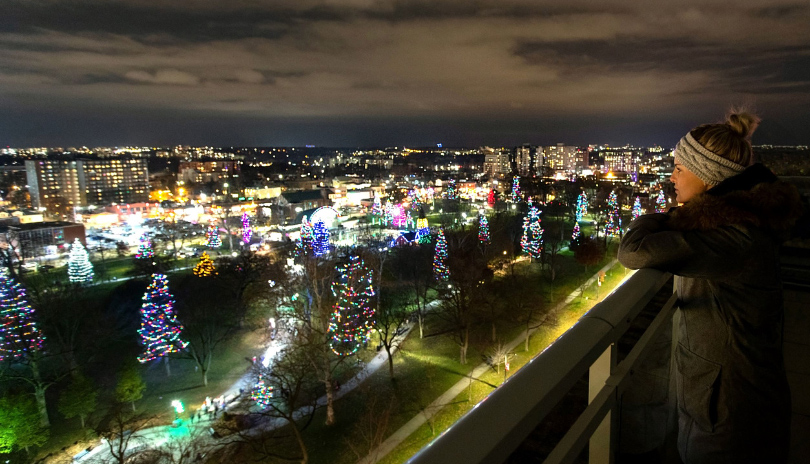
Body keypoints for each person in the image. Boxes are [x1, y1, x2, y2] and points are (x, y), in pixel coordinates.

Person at [618, 110, 802, 464]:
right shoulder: (742, 226)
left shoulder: (731, 239)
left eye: (679, 168)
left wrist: (672, 216)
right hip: (731, 394)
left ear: (707, 178)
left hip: (729, 409)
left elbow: (633, 251)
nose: (671, 176)